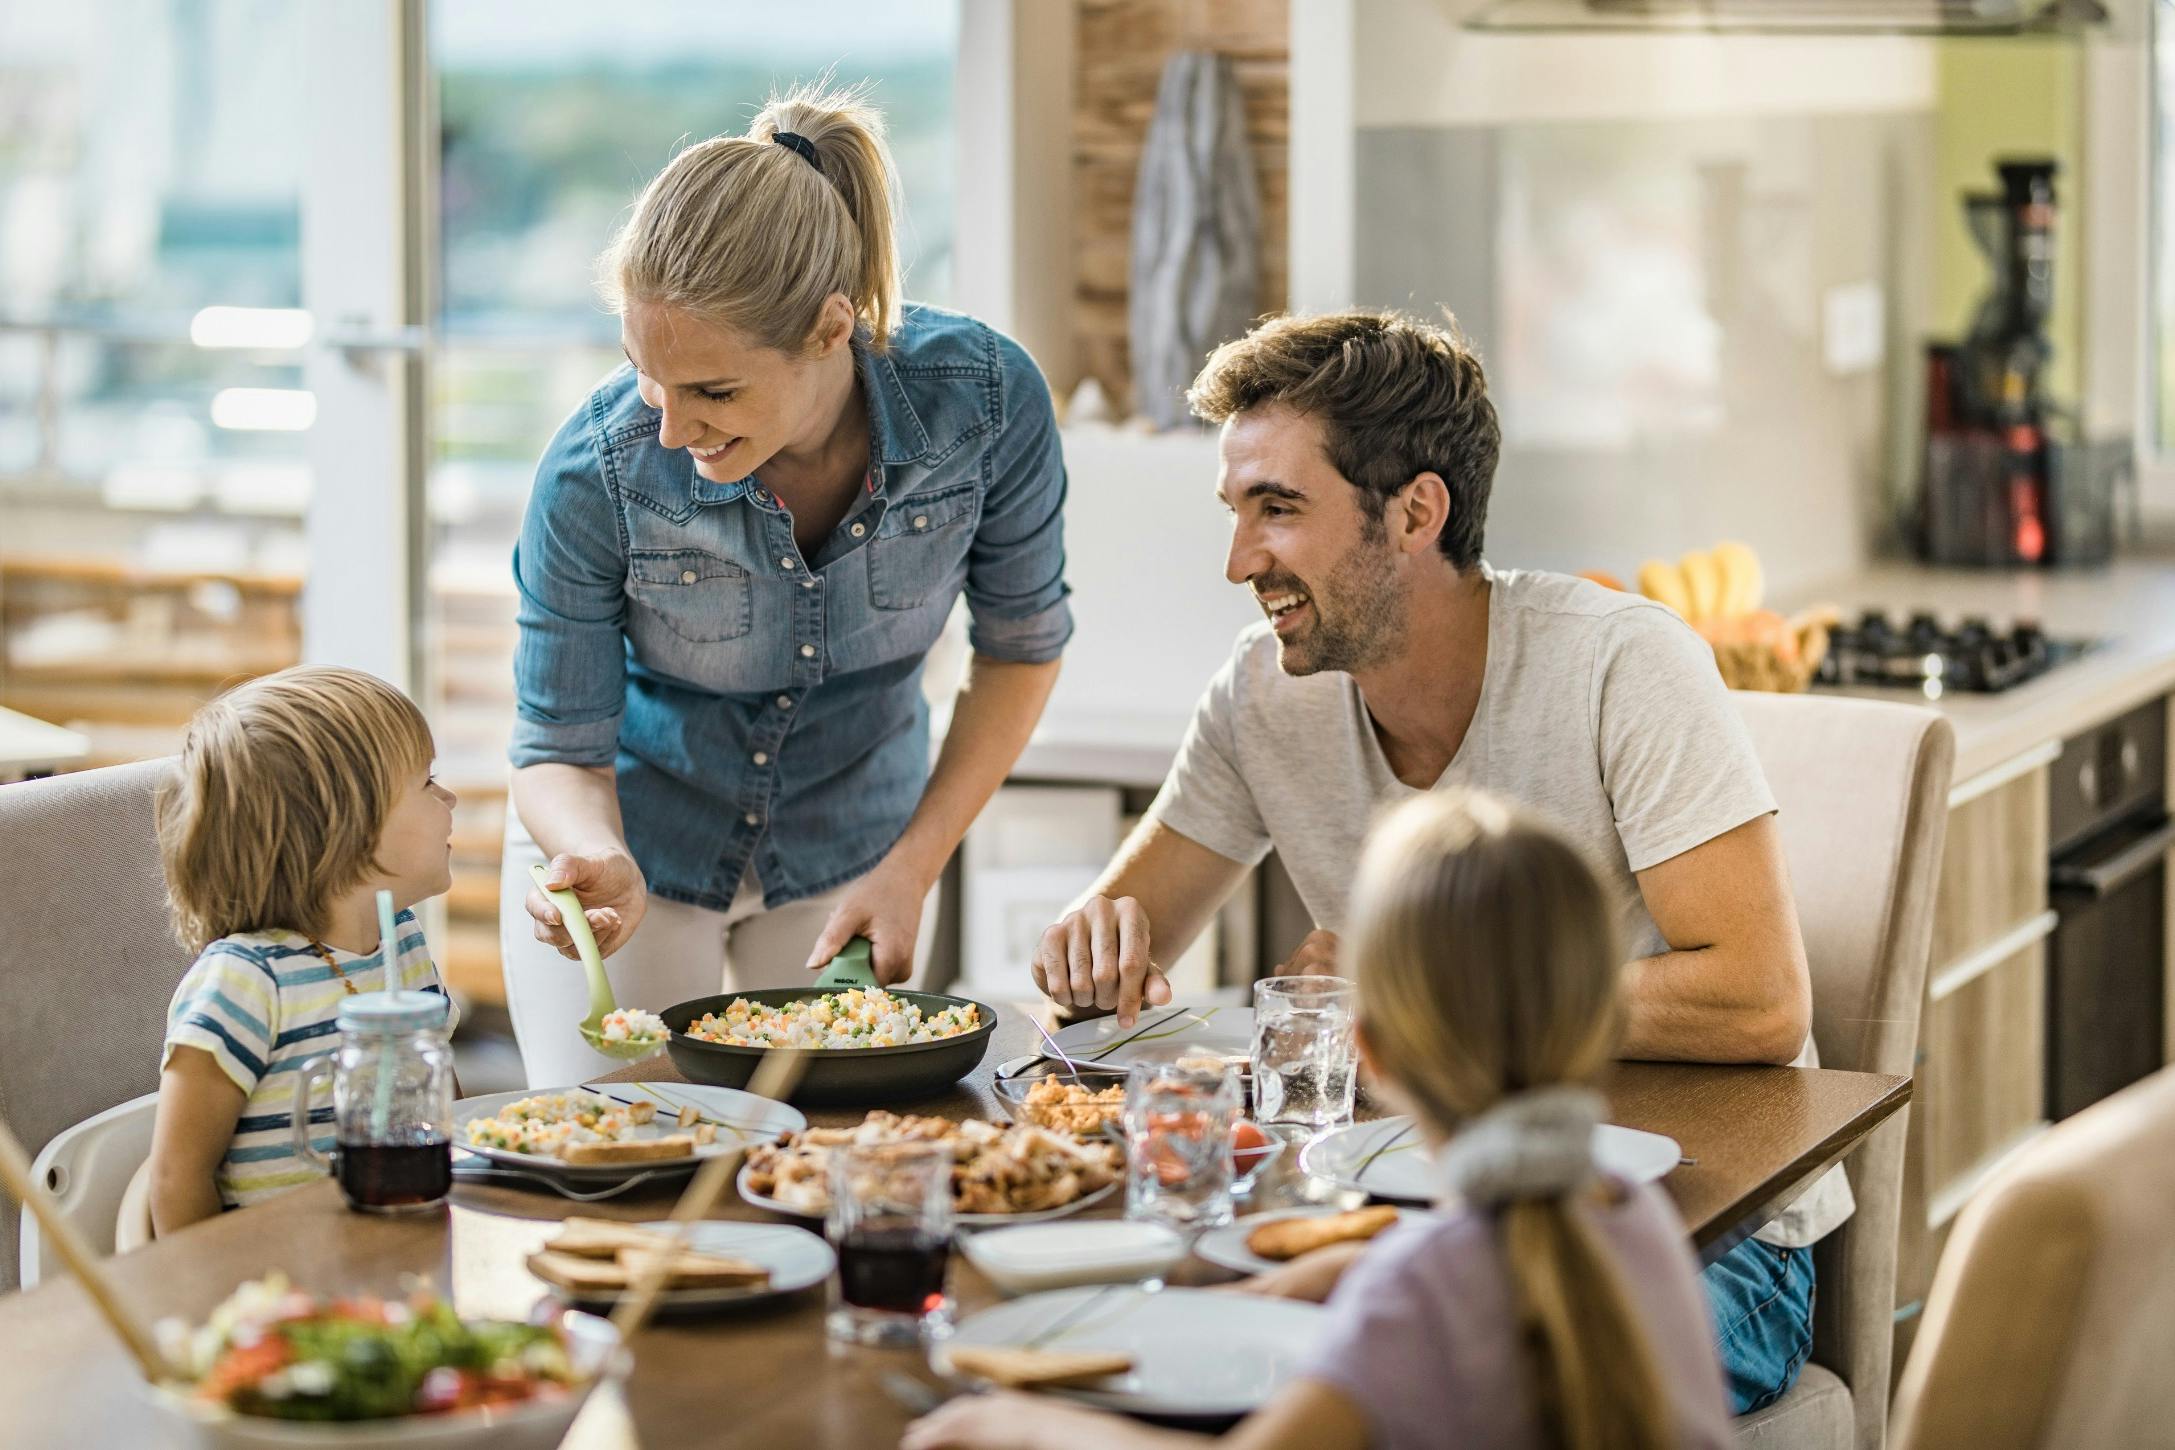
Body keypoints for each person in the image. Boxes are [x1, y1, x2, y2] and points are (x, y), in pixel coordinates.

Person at [1029, 309, 1840, 1414]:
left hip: (1700, 1235)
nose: (1239, 561)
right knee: (1163, 1347)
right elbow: (1118, 949)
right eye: (1236, 511)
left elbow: (1759, 1000)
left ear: (1416, 513)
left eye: (1278, 509)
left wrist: (1423, 996)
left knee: (1378, 1399)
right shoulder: (1262, 693)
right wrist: (1089, 948)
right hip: (1429, 1214)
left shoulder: (1621, 666)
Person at [502, 81, 1071, 1085]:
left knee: (829, 1149)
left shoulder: (984, 406)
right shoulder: (597, 471)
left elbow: (1021, 649)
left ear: (829, 328)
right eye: (646, 376)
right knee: (622, 1145)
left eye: (713, 390)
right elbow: (556, 745)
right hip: (640, 842)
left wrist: (914, 865)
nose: (670, 429)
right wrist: (597, 853)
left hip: (859, 843)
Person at [909, 791, 1733, 1450]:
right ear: (1601, 1022)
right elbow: (1491, 1256)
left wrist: (1026, 1426)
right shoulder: (1630, 1214)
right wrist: (1365, 1255)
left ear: (1367, 1051)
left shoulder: (1413, 1295)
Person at [146, 666, 459, 1233]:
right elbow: (175, 1179)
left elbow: (446, 1119)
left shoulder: (403, 942)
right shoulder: (247, 980)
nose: (450, 797)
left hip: (399, 1249)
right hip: (279, 1269)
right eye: (427, 782)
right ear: (347, 827)